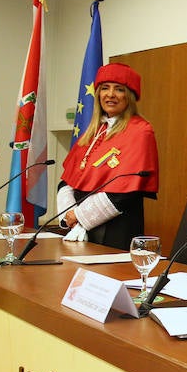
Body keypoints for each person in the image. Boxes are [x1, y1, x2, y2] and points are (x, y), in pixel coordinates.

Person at [58, 62, 160, 249]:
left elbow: (126, 191)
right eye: (105, 88)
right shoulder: (93, 131)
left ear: (129, 96)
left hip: (116, 231)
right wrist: (69, 214)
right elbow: (67, 180)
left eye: (119, 89)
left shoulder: (140, 131)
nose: (110, 94)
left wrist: (79, 216)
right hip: (80, 228)